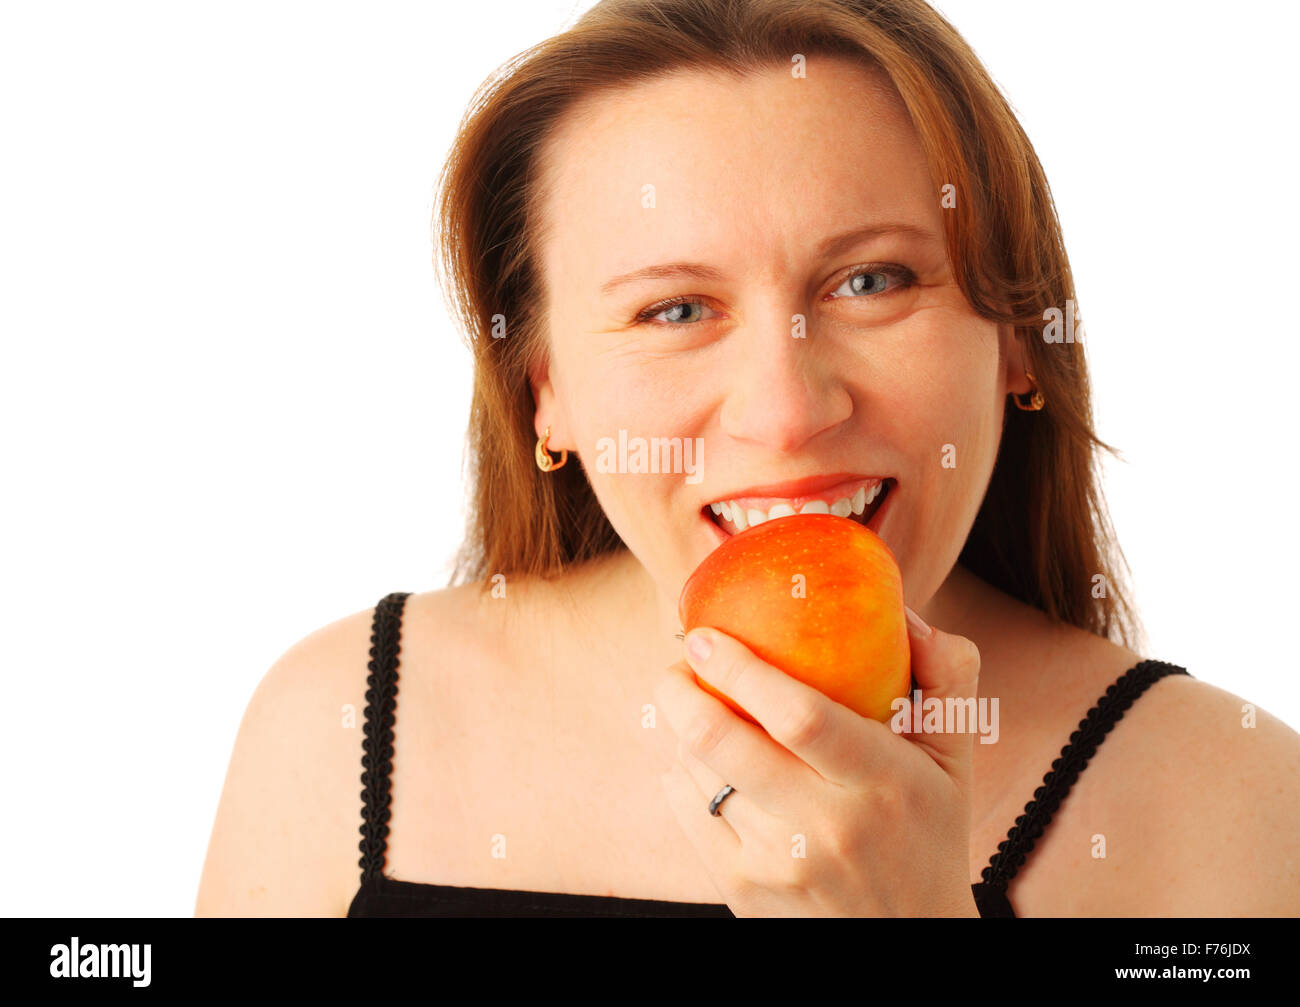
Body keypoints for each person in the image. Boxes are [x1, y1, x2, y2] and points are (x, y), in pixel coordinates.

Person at [196, 0, 1300, 917]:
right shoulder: (339, 721)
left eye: (871, 281)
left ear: (1016, 336)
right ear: (547, 394)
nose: (785, 412)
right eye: (675, 307)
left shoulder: (1231, 799)